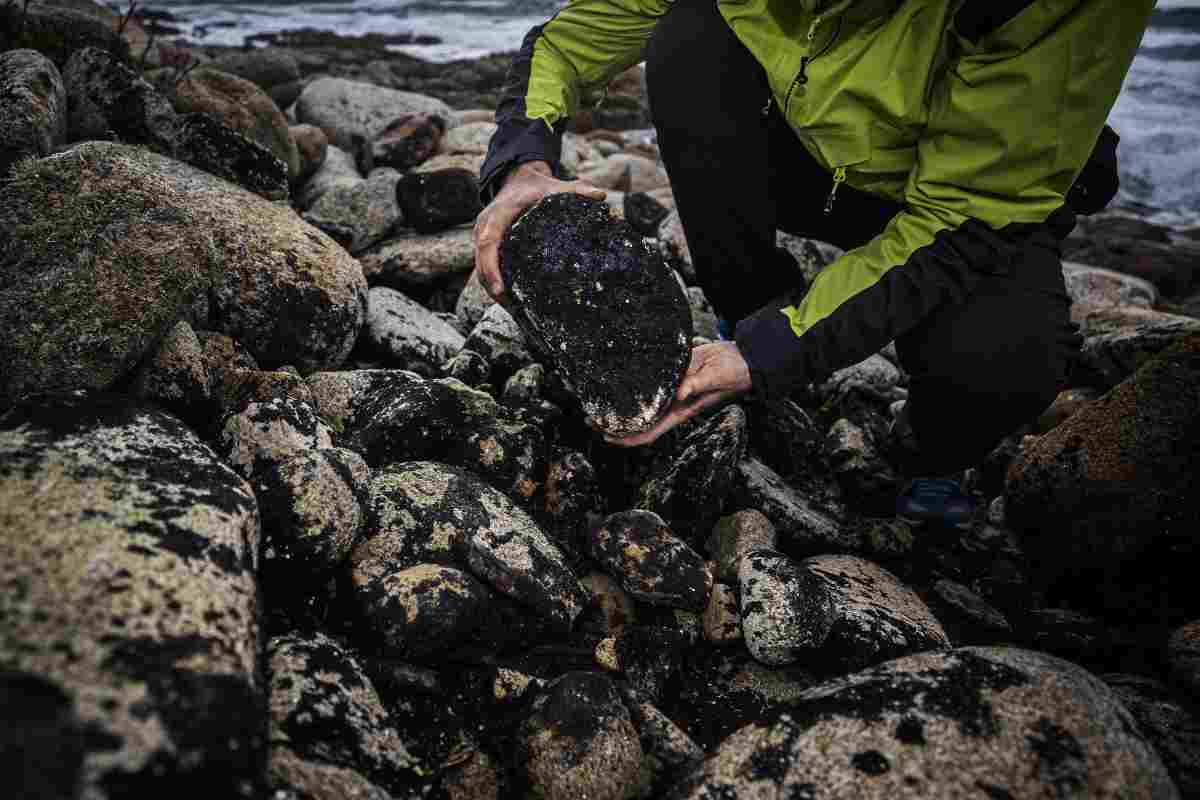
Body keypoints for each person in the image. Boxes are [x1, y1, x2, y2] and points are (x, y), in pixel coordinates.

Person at [472, 0, 1155, 525]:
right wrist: (523, 163)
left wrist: (781, 349)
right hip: (799, 154)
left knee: (1004, 364)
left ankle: (923, 451)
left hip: (962, 201)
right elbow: (568, 43)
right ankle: (746, 309)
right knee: (691, 33)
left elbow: (965, 212)